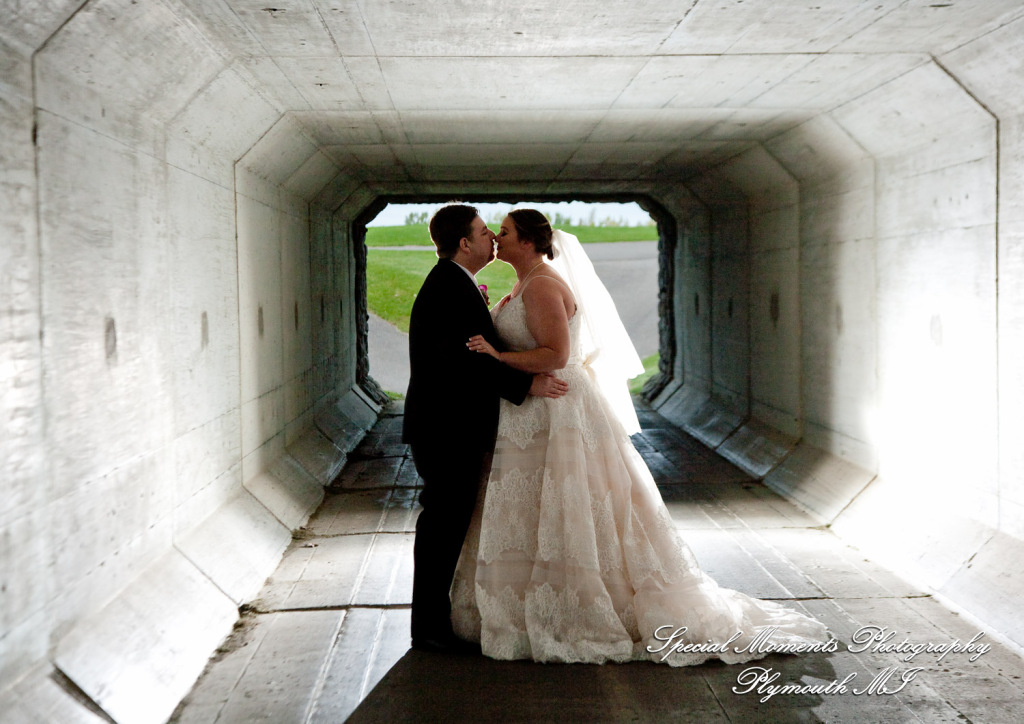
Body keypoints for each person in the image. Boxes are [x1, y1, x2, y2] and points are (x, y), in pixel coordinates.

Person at [450, 209, 829, 665]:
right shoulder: (523, 284)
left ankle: (580, 611)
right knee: (531, 506)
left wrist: (497, 355)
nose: (496, 237)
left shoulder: (545, 284)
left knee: (570, 506)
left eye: (505, 233)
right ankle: (523, 610)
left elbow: (556, 355)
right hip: (530, 414)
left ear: (528, 242)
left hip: (558, 410)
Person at [403, 204, 569, 655]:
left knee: (447, 523)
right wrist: (527, 383)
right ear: (464, 243)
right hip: (445, 430)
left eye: (498, 231)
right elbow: (462, 362)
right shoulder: (448, 288)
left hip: (448, 427)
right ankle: (428, 629)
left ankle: (433, 623)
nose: (492, 237)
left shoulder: (456, 284)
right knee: (442, 526)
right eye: (483, 231)